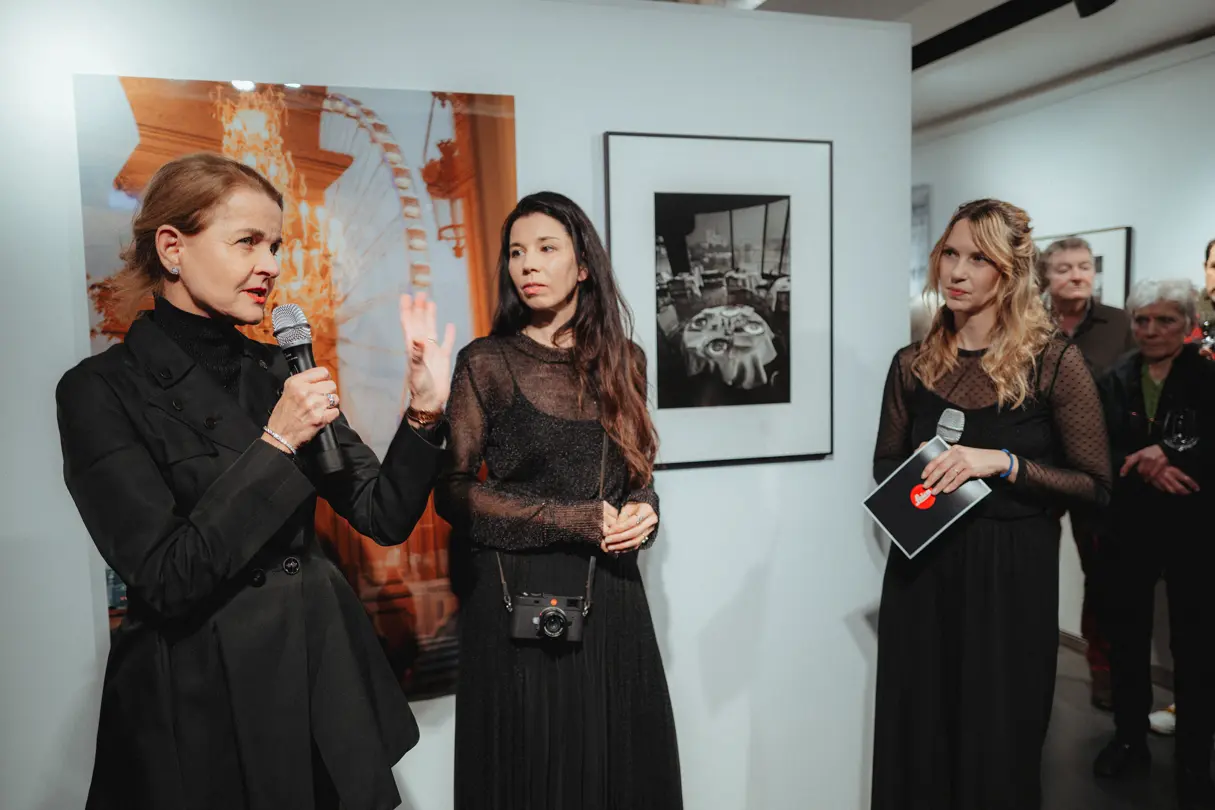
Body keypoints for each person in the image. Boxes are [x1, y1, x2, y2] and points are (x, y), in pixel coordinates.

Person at [55, 152, 455, 810]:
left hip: (317, 685)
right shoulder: (99, 391)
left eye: (275, 245)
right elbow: (167, 576)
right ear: (173, 248)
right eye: (246, 241)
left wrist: (424, 412)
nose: (269, 264)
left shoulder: (280, 369)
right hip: (203, 700)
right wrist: (277, 443)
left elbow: (381, 514)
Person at [435, 191, 682, 810]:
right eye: (517, 252)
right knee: (530, 773)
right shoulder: (486, 362)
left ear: (583, 265)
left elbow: (636, 475)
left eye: (546, 248)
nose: (528, 265)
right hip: (516, 595)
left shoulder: (626, 361)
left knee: (615, 770)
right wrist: (571, 518)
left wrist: (646, 510)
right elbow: (453, 492)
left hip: (612, 593)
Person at [870, 199, 1112, 810]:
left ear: (1010, 272)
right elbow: (883, 464)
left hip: (1010, 577)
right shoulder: (913, 364)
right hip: (922, 572)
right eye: (950, 254)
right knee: (918, 734)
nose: (957, 271)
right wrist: (922, 469)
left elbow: (1095, 484)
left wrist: (1003, 463)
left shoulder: (1054, 363)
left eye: (979, 259)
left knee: (997, 741)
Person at [1092, 279, 1215, 809]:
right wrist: (1147, 462)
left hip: (1195, 528)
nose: (1151, 330)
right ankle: (1128, 740)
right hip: (1130, 526)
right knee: (1126, 638)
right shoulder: (1116, 376)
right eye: (1142, 319)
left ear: (1187, 324)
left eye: (1165, 320)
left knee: (1196, 646)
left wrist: (1170, 456)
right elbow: (1098, 446)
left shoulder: (1208, 376)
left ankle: (1194, 760)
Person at [1038, 235, 1137, 710]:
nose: (1077, 275)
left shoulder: (1120, 324)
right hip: (1038, 464)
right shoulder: (1028, 324)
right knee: (1031, 569)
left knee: (1101, 576)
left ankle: (1103, 671)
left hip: (1096, 468)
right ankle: (1029, 663)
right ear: (1045, 277)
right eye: (1064, 268)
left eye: (1084, 266)